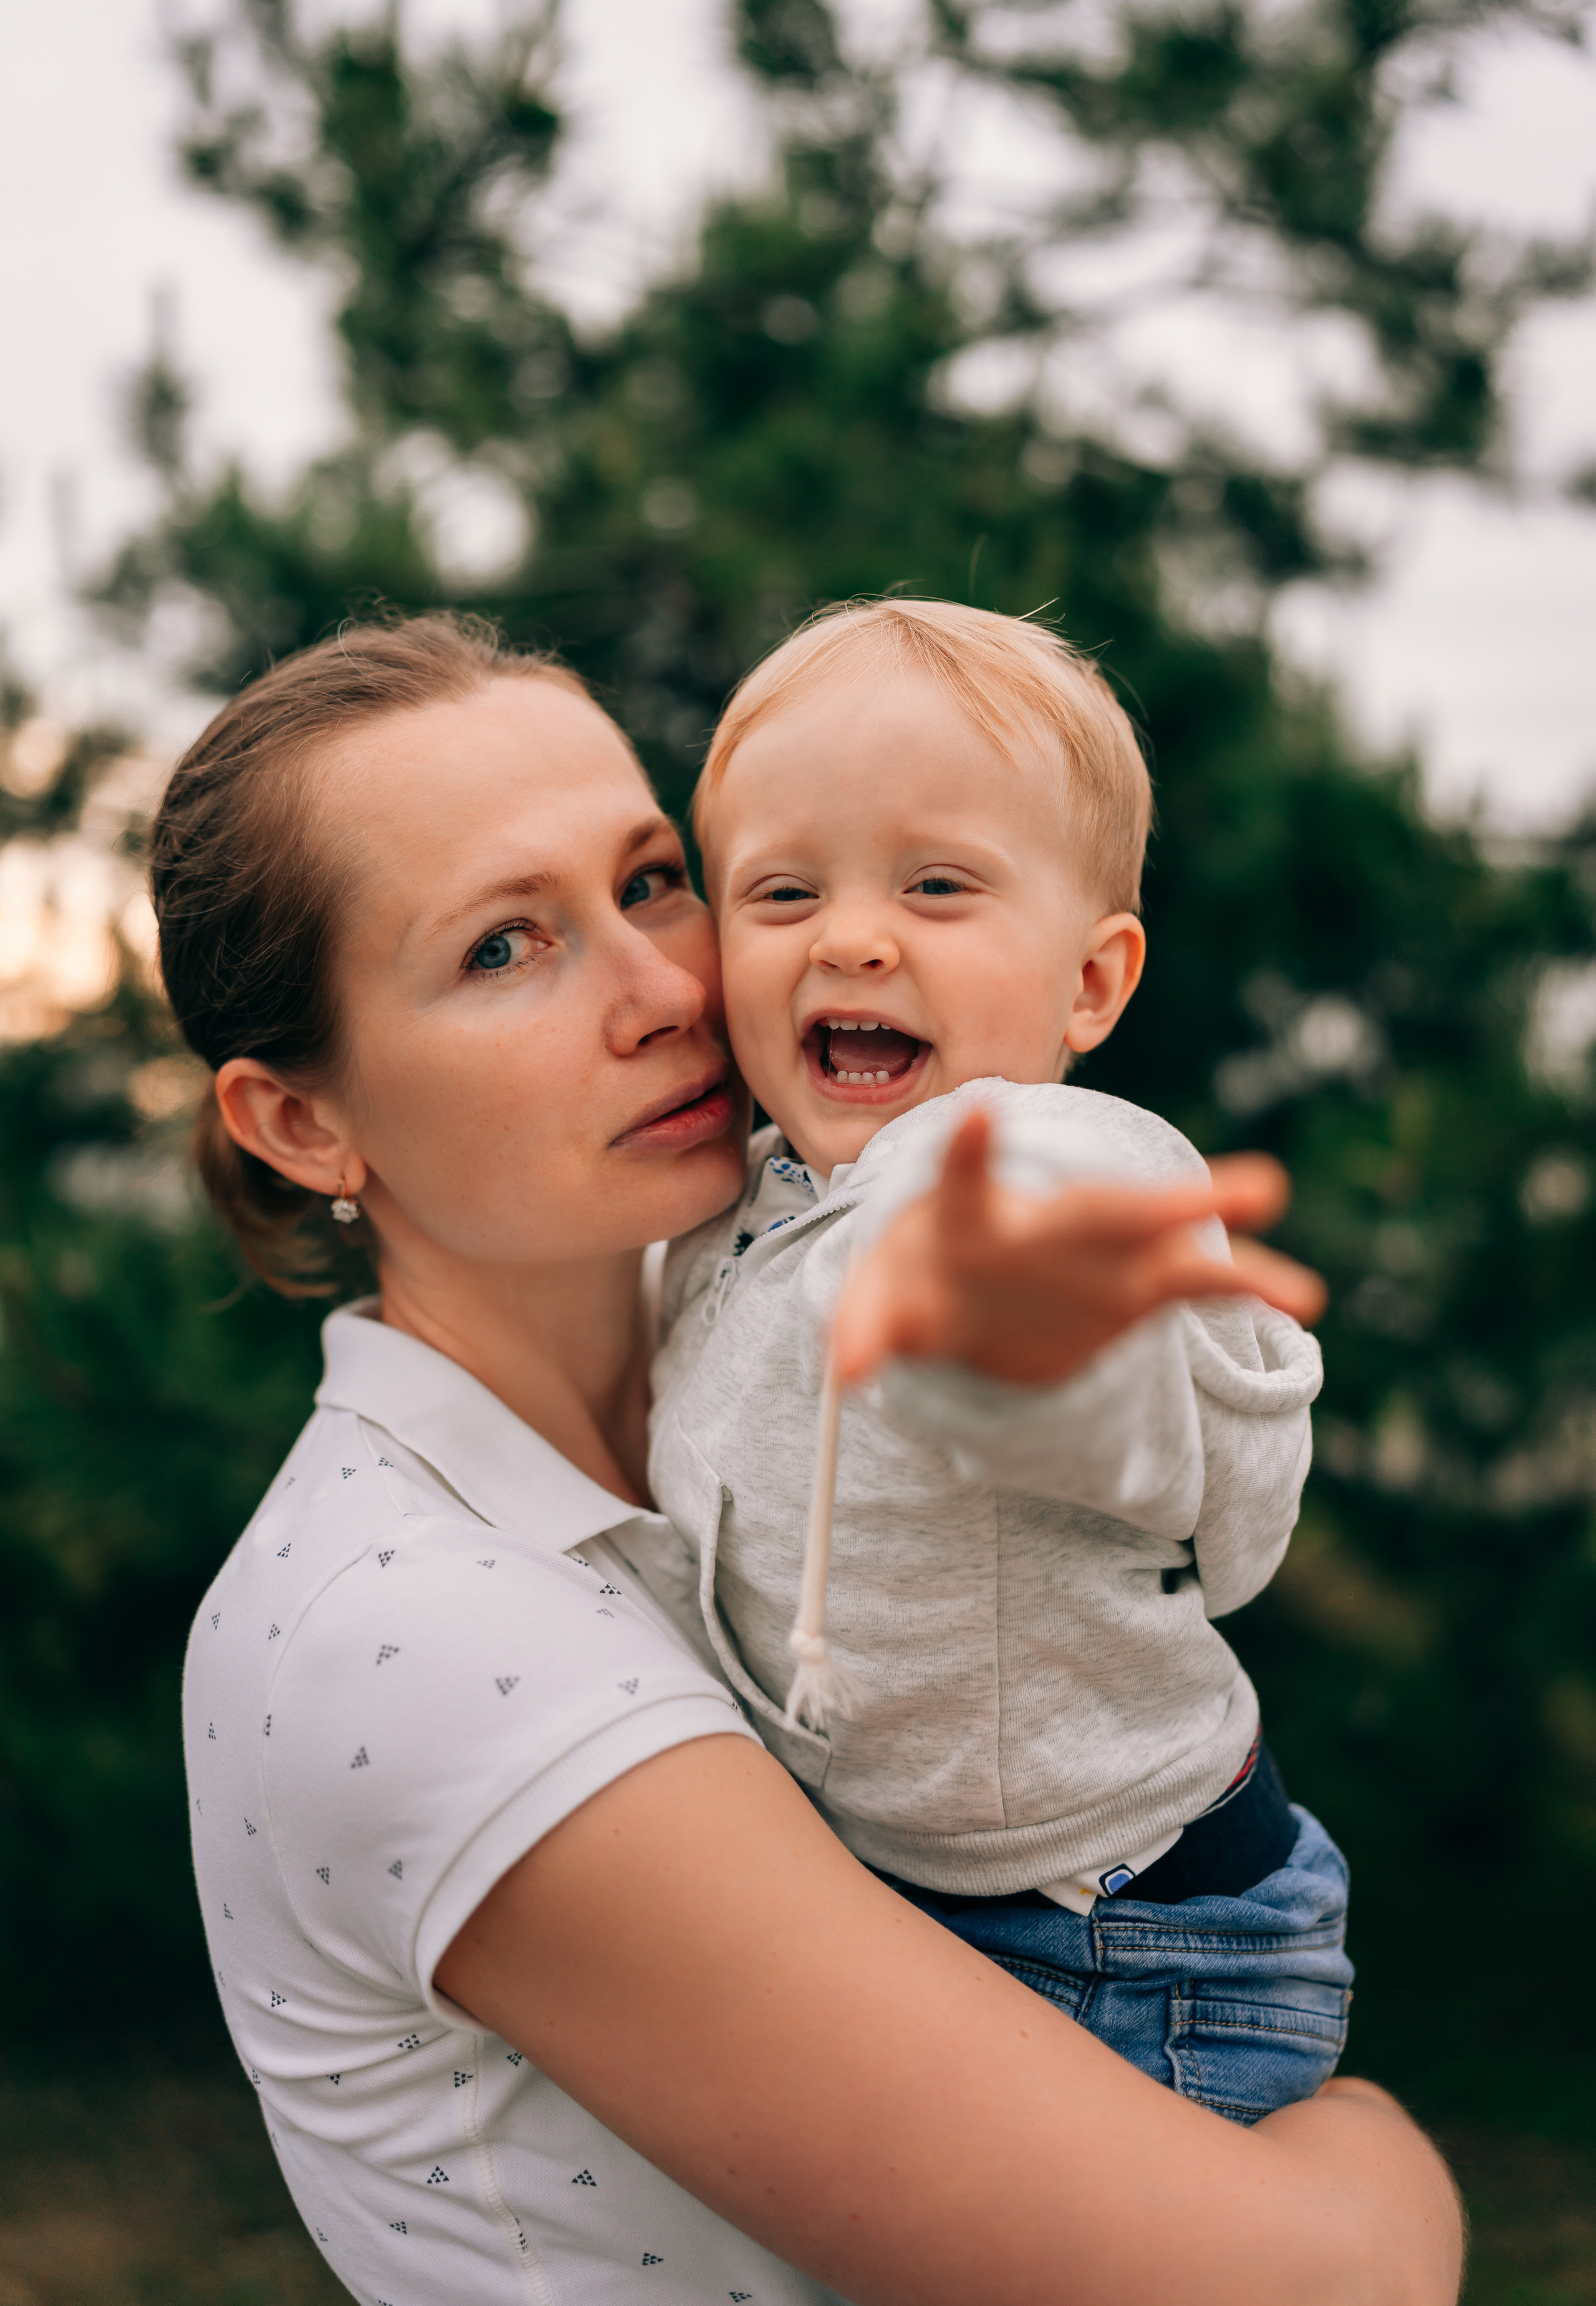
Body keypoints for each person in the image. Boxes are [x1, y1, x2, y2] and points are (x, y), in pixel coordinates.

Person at [164, 614, 1461, 2306]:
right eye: (503, 947)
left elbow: (1000, 1233)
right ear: (303, 1123)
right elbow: (1319, 2285)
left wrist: (1039, 1348)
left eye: (647, 884)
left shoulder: (761, 1275)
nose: (657, 991)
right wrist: (1377, 2143)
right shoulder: (414, 1641)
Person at [650, 597, 1349, 2125]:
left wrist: (1009, 1332)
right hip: (921, 1905)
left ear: (1091, 983)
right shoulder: (744, 1213)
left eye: (938, 883)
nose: (850, 933)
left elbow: (1039, 1324)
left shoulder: (1025, 1155)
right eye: (779, 892)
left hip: (1129, 1938)